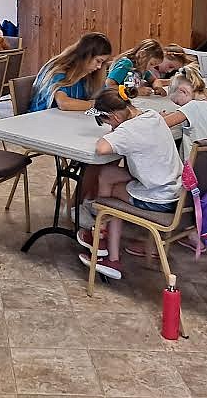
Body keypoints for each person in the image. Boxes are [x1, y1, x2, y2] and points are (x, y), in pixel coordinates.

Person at [77, 86, 182, 280]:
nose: (110, 129)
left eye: (108, 123)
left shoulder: (128, 130)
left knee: (113, 193)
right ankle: (101, 234)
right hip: (174, 188)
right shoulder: (151, 115)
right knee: (107, 174)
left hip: (159, 197)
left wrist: (110, 135)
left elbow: (102, 148)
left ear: (115, 117)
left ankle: (111, 255)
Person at [29, 33, 113, 112]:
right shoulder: (59, 69)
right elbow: (63, 103)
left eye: (102, 62)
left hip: (66, 119)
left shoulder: (89, 73)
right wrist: (94, 104)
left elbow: (104, 96)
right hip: (41, 119)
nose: (99, 67)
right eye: (98, 61)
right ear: (86, 55)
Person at [162, 64, 207, 160]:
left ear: (183, 91)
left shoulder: (191, 107)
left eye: (178, 102)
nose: (180, 106)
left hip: (193, 169)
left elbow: (161, 123)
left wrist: (162, 117)